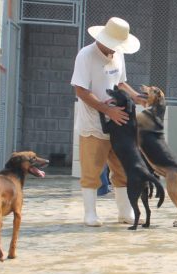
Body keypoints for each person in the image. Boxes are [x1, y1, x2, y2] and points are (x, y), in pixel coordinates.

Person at [71, 17, 146, 226]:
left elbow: (120, 82)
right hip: (93, 124)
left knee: (122, 167)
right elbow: (81, 90)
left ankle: (125, 212)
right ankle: (90, 213)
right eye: (113, 45)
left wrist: (135, 96)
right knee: (92, 170)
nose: (115, 50)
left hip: (118, 125)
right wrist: (106, 110)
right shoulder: (86, 55)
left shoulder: (118, 54)